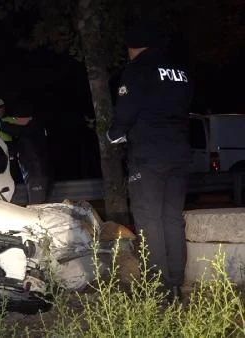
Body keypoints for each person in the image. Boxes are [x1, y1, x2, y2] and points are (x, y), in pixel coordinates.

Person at [106, 18, 193, 302]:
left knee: (149, 219)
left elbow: (126, 111)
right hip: (179, 152)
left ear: (132, 47)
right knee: (171, 217)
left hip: (149, 155)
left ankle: (158, 286)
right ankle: (177, 283)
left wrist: (114, 134)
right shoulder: (180, 71)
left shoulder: (136, 70)